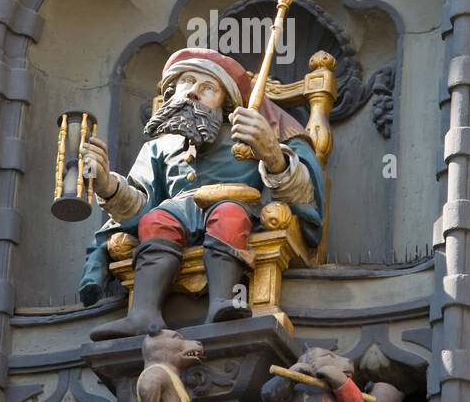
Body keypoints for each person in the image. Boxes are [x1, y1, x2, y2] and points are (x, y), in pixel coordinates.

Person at [82, 48, 325, 339]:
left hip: (235, 204)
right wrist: (108, 186)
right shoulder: (158, 148)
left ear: (225, 104)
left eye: (207, 87)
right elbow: (140, 206)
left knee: (229, 215)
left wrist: (273, 155)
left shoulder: (246, 136)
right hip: (176, 212)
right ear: (172, 93)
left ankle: (226, 301)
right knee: (154, 221)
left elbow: (303, 194)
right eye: (186, 83)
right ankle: (143, 313)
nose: (194, 93)